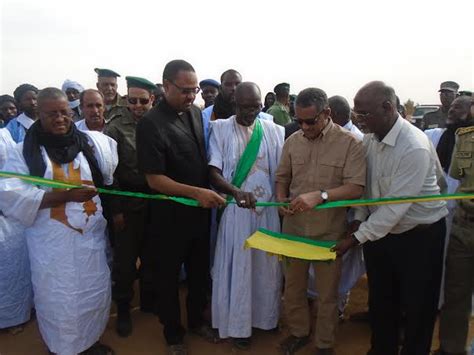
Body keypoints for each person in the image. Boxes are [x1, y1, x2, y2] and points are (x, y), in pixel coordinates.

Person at [334, 81, 449, 355]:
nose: (357, 120)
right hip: (381, 233)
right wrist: (359, 217)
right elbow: (367, 189)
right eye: (355, 113)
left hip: (419, 236)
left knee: (418, 305)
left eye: (363, 114)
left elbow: (394, 209)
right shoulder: (370, 140)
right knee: (383, 300)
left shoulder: (413, 147)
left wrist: (355, 238)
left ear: (387, 108)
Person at [0, 87, 117, 355]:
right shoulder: (22, 152)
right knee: (59, 298)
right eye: (52, 114)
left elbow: (107, 175)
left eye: (65, 112)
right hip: (52, 246)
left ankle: (89, 343)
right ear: (39, 114)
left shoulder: (87, 143)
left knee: (92, 290)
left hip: (89, 238)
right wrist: (64, 196)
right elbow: (9, 194)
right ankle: (62, 349)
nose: (60, 118)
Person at [136, 59, 226, 355]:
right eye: (185, 90)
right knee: (169, 278)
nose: (192, 96)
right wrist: (196, 192)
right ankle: (173, 334)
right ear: (165, 86)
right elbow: (154, 179)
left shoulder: (195, 114)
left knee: (200, 272)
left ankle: (197, 320)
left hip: (199, 214)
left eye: (195, 90)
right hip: (169, 218)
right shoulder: (150, 124)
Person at [276, 88, 366, 355]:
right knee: (293, 289)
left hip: (329, 231)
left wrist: (322, 196)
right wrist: (281, 200)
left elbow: (356, 188)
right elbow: (282, 177)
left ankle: (324, 343)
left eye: (310, 121)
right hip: (294, 229)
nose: (304, 127)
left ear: (327, 114)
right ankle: (298, 332)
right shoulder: (293, 141)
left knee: (328, 294)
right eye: (299, 121)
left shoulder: (350, 143)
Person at [208, 82, 284, 349]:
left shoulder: (275, 131)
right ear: (234, 104)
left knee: (266, 268)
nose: (251, 111)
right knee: (239, 268)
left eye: (256, 106)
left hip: (268, 214)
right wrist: (235, 191)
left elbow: (282, 173)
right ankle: (239, 327)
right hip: (237, 212)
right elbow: (213, 172)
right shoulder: (220, 129)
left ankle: (266, 318)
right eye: (245, 106)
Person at [104, 76, 156, 337]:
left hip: (156, 203)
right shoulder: (114, 127)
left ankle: (148, 301)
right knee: (125, 263)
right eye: (132, 100)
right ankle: (123, 308)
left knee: (153, 255)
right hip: (127, 202)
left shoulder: (159, 123)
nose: (137, 105)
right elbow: (108, 174)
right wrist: (116, 210)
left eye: (142, 101)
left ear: (152, 100)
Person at [436, 93, 474, 355]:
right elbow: (455, 176)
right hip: (465, 228)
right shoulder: (464, 138)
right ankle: (450, 350)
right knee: (456, 296)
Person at [0, 128, 33, 332]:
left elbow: (13, 173)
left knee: (12, 267)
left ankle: (15, 316)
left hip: (8, 210)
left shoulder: (4, 134)